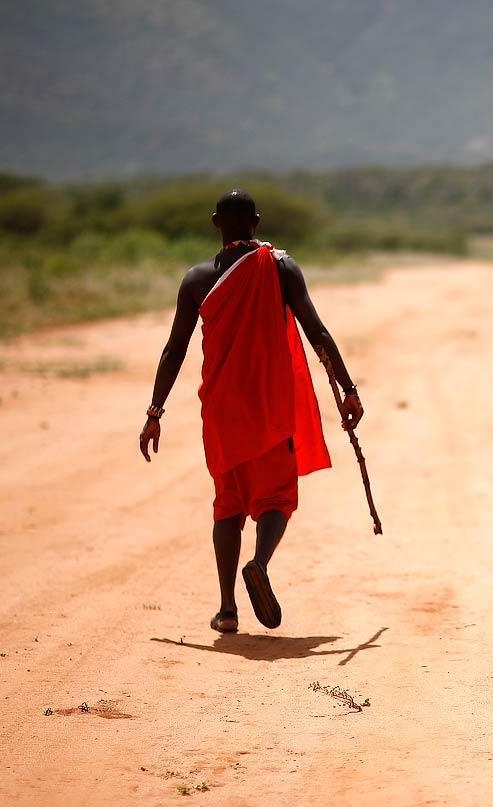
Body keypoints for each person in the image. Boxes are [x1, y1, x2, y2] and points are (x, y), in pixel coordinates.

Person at [138, 189, 363, 633]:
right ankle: (259, 562)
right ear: (256, 222)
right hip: (269, 403)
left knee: (227, 505)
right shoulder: (280, 267)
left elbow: (174, 350)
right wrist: (348, 388)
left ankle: (226, 610)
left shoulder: (197, 278)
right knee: (277, 497)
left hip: (221, 409)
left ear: (215, 222)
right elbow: (315, 330)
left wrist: (155, 411)